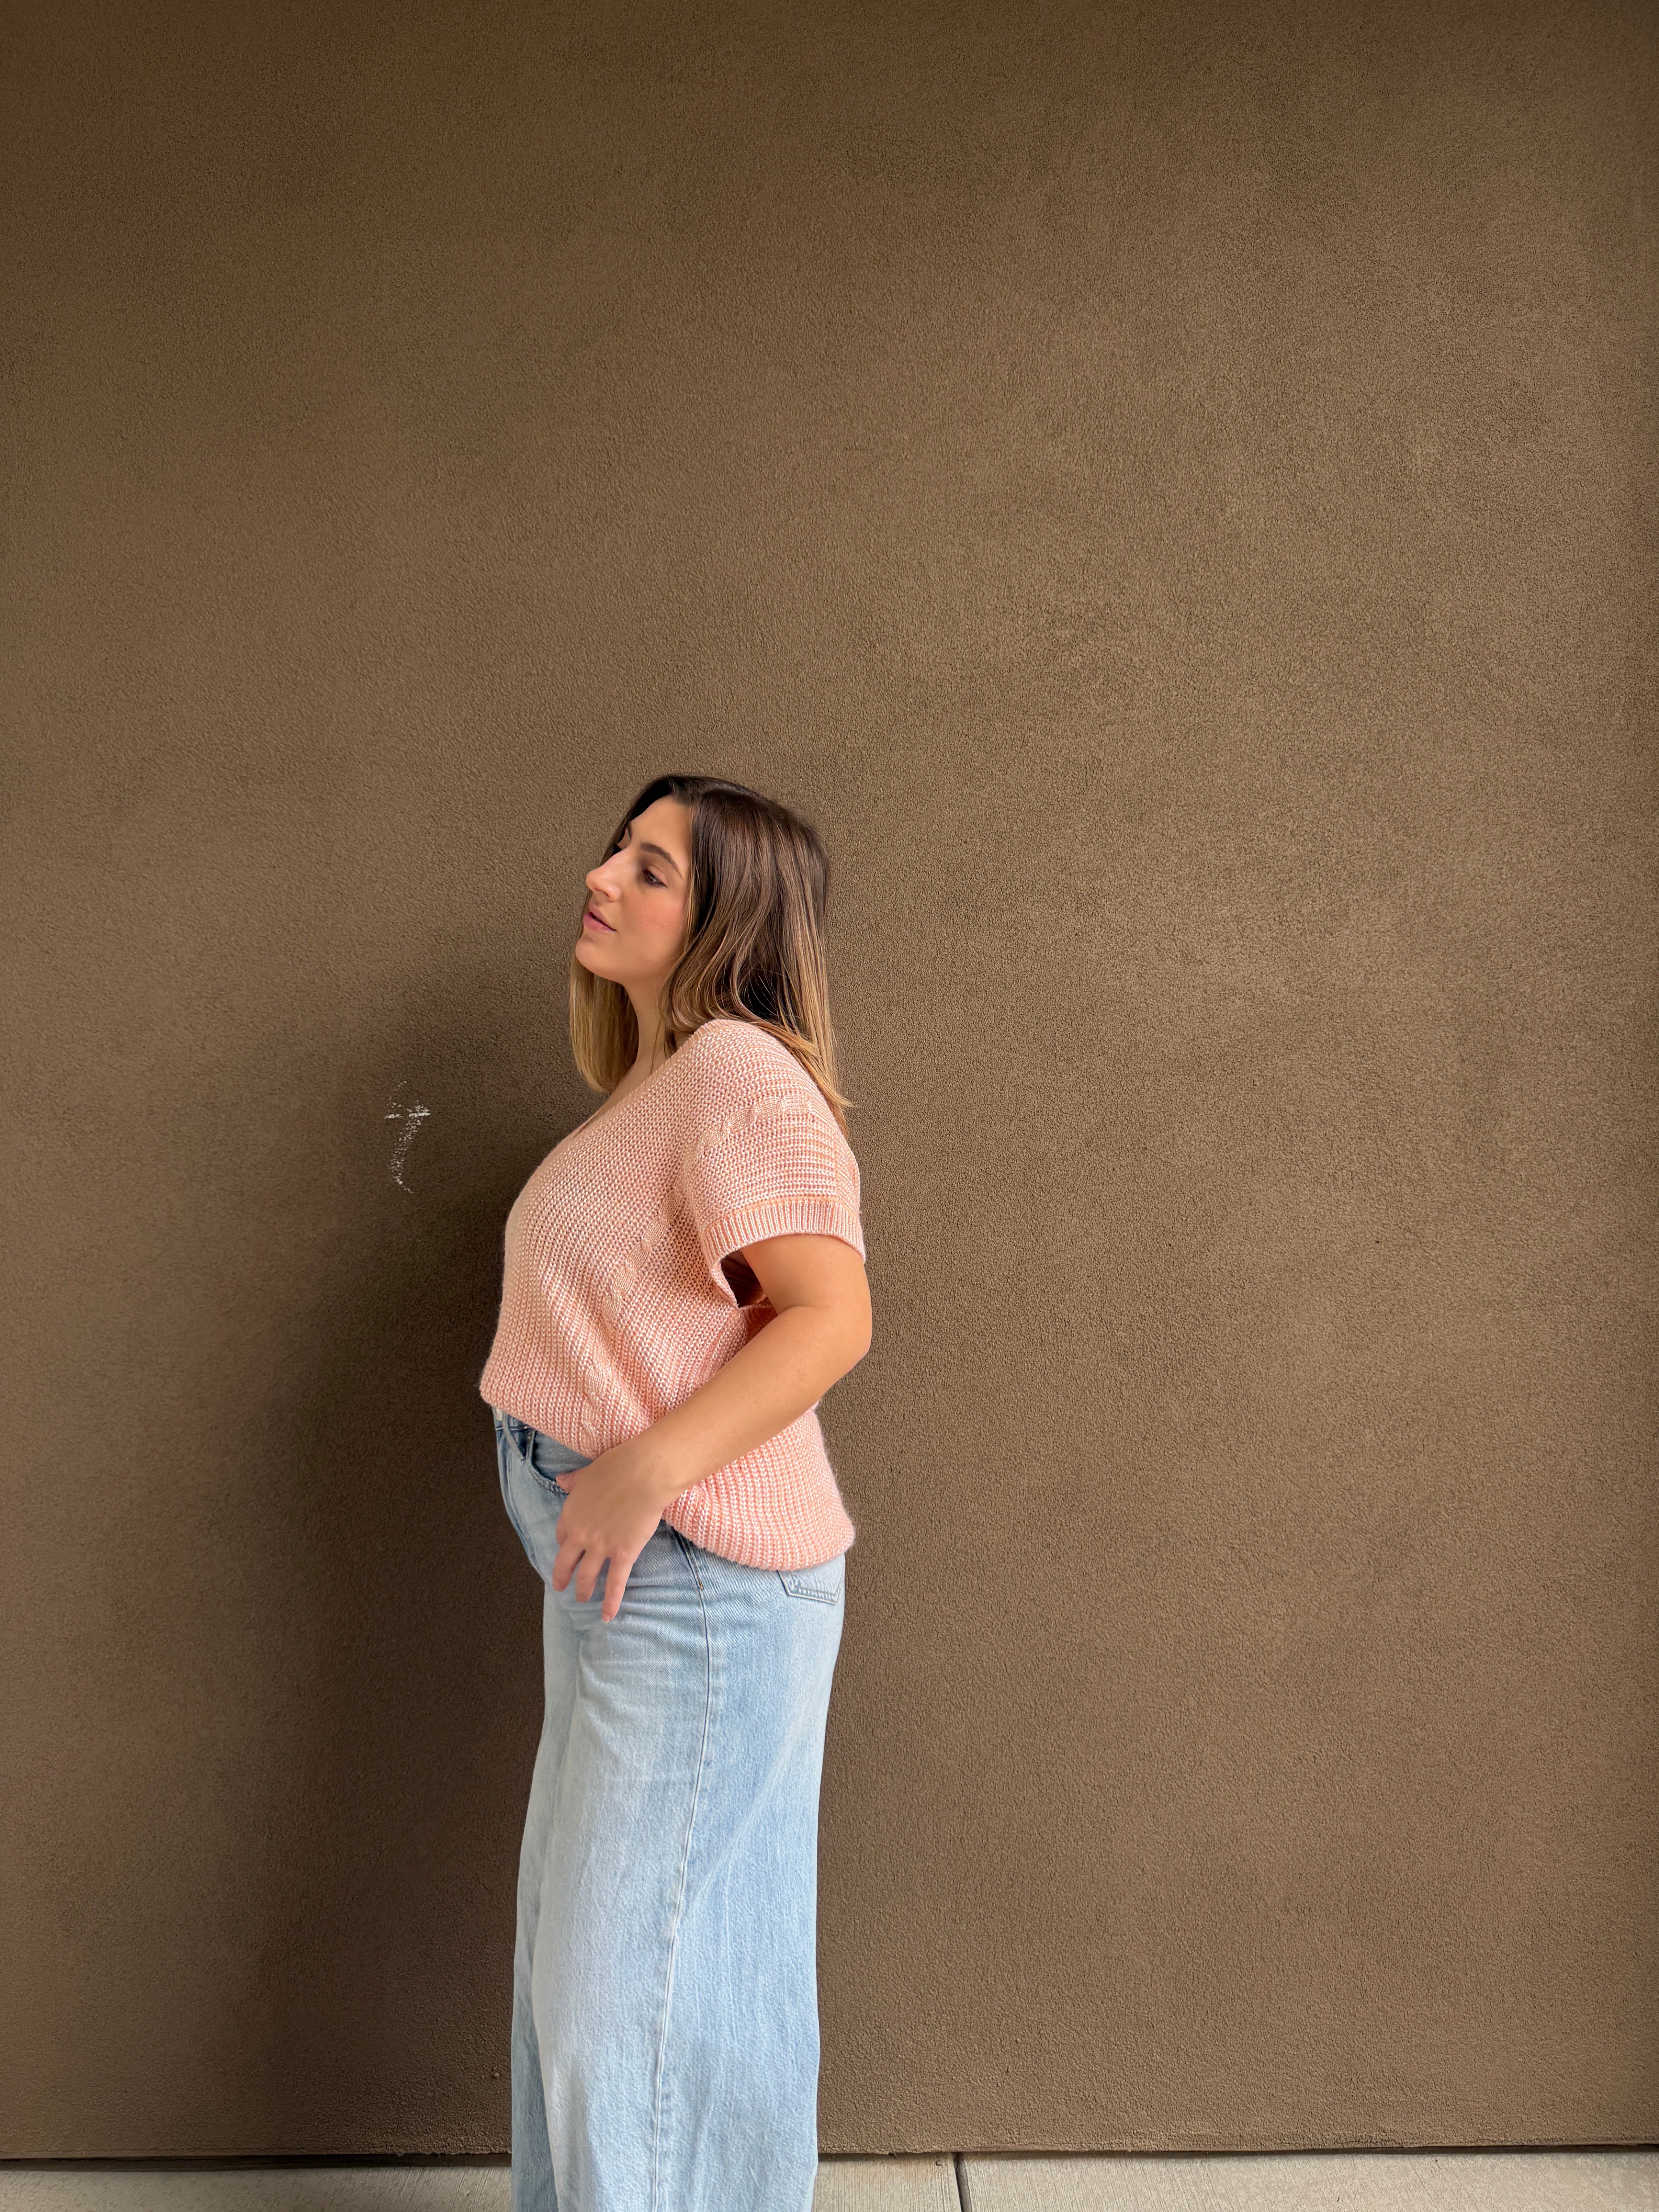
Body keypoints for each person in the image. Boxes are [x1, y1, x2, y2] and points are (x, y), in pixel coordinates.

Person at [479, 773, 873, 2212]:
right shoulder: (661, 1082)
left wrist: (644, 1465)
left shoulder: (736, 1075)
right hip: (634, 1583)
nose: (602, 876)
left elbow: (830, 1316)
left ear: (725, 923)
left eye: (651, 871)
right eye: (617, 850)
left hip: (696, 1584)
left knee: (621, 1997)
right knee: (636, 1983)